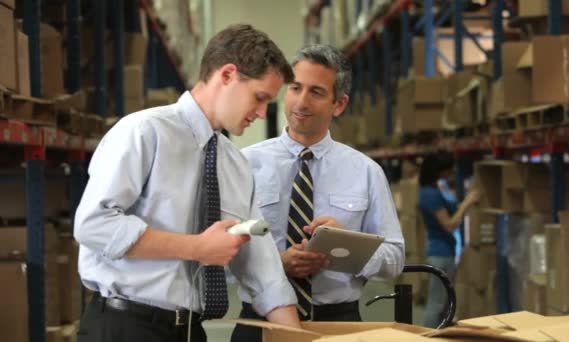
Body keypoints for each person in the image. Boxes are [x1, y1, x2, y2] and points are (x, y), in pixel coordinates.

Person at [73, 24, 301, 342]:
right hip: (125, 327)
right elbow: (93, 224)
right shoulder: (143, 132)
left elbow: (262, 268)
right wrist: (197, 248)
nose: (263, 113)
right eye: (259, 98)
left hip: (190, 331)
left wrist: (297, 336)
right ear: (227, 75)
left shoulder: (235, 165)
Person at [231, 44, 405, 341]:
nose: (301, 102)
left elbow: (395, 259)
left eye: (316, 92)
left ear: (339, 104)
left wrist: (348, 247)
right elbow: (221, 246)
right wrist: (276, 263)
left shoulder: (365, 172)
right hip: (258, 324)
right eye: (295, 88)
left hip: (338, 324)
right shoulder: (243, 165)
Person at [418, 152, 479, 328]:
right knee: (437, 304)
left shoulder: (436, 190)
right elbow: (449, 224)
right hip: (440, 254)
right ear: (439, 171)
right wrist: (467, 203)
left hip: (446, 253)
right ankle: (427, 337)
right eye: (448, 170)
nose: (451, 173)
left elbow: (452, 211)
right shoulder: (430, 194)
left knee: (445, 306)